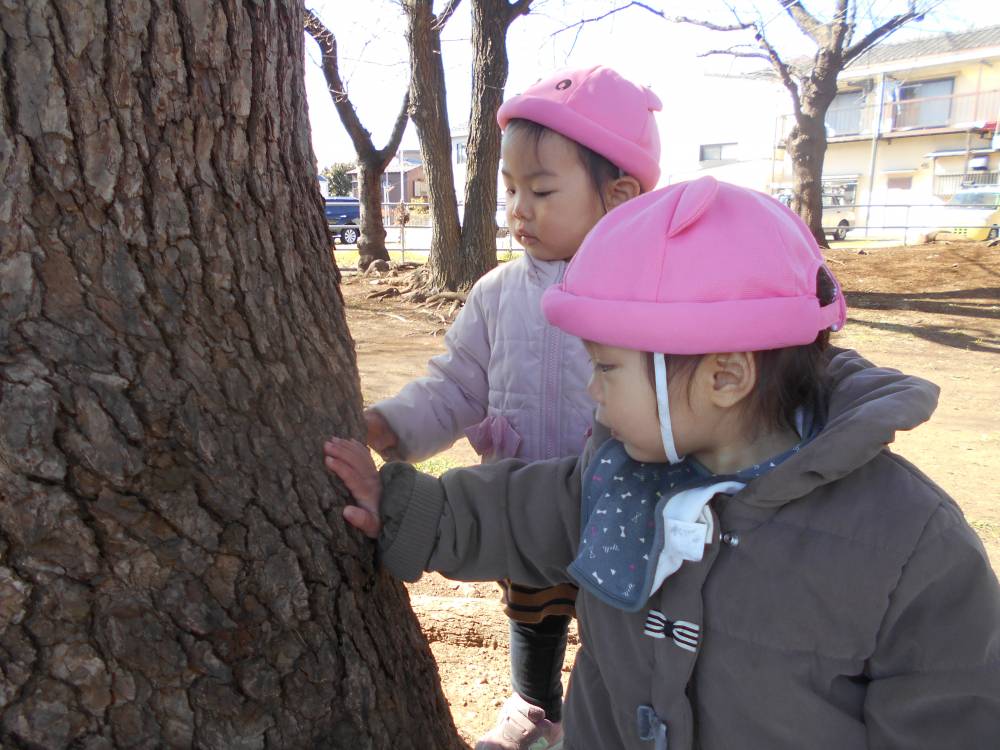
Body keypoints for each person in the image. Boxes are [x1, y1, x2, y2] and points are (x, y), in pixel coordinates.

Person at [326, 176, 1000, 749]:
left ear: (725, 377)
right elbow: (523, 511)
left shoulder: (910, 545)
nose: (592, 390)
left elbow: (949, 714)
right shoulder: (623, 472)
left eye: (606, 367)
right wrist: (407, 509)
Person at [359, 66, 662, 749]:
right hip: (521, 503)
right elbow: (456, 386)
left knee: (622, 617)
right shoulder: (497, 293)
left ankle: (611, 716)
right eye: (511, 190)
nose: (518, 209)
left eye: (542, 190)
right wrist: (393, 425)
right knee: (531, 610)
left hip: (627, 502)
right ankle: (533, 708)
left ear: (619, 197)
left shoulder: (647, 294)